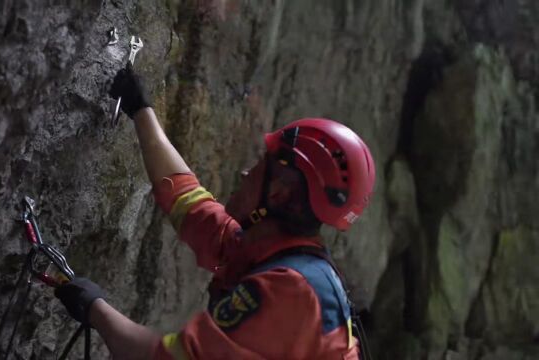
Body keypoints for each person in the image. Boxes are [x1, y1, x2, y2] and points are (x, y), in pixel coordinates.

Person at [55, 64, 376, 360]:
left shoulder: (293, 291)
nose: (244, 174)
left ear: (279, 194)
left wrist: (94, 307)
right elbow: (191, 204)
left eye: (259, 167)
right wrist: (141, 110)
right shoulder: (275, 256)